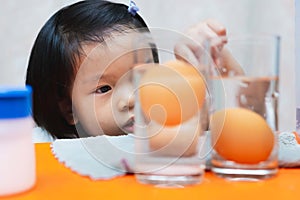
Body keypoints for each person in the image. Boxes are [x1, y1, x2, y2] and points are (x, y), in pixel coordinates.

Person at [26, 0, 231, 142]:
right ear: (69, 109)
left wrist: (211, 57)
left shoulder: (170, 129)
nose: (133, 98)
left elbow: (228, 118)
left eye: (143, 75)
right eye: (104, 88)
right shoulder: (45, 152)